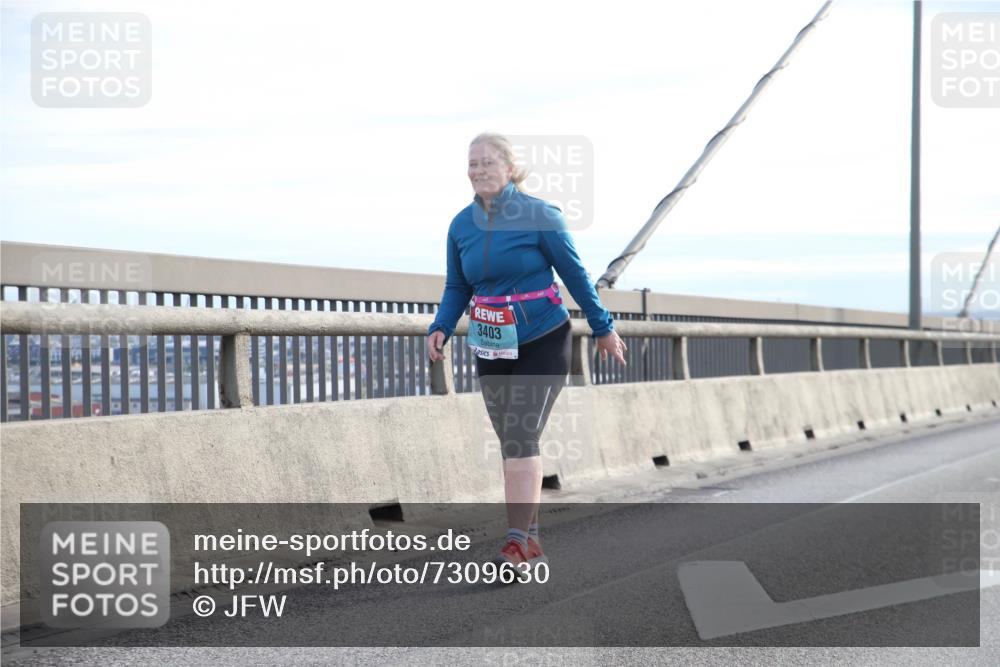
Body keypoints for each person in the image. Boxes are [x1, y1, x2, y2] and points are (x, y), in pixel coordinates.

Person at [426, 132, 627, 572]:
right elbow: (458, 285)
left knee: (520, 434)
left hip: (543, 337)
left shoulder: (540, 215)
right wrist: (441, 324)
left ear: (511, 168)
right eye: (471, 163)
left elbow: (574, 274)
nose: (477, 170)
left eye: (486, 162)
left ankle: (516, 542)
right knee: (511, 441)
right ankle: (529, 541)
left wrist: (602, 328)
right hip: (492, 342)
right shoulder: (461, 225)